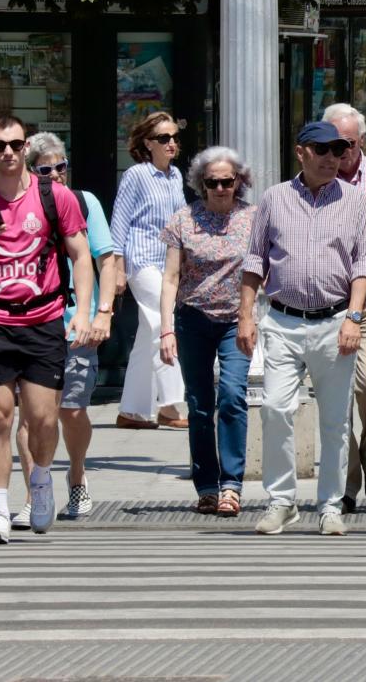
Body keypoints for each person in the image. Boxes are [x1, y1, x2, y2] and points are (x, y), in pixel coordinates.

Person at [0, 115, 95, 544]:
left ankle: (42, 481)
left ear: (26, 146)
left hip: (43, 319)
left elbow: (81, 256)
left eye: (14, 144)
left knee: (44, 419)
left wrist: (82, 313)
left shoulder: (55, 197)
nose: (7, 152)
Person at [239, 120, 366, 537]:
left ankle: (330, 504)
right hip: (281, 318)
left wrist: (353, 317)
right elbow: (254, 260)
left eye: (339, 151)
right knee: (277, 407)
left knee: (336, 420)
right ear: (302, 153)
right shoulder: (274, 199)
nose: (333, 158)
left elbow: (362, 265)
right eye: (323, 150)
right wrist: (245, 315)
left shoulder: (355, 201)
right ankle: (282, 501)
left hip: (335, 321)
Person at [10, 133, 118, 527]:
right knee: (29, 417)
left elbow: (106, 260)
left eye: (61, 167)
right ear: (31, 170)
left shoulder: (85, 203)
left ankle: (76, 473)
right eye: (46, 169)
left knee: (71, 410)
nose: (56, 174)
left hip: (77, 320)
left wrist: (101, 313)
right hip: (31, 322)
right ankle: (32, 494)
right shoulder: (22, 205)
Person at [158, 146, 258, 517]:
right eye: (212, 182)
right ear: (201, 184)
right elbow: (170, 277)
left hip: (236, 319)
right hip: (192, 317)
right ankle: (206, 486)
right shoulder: (183, 220)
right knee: (200, 405)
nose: (219, 188)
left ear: (239, 182)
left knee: (232, 396)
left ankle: (232, 484)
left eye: (226, 182)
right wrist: (166, 329)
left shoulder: (254, 218)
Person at [321, 102, 366, 513]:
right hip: (329, 305)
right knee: (337, 399)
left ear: (362, 141)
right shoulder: (314, 178)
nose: (338, 152)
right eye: (330, 143)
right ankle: (345, 486)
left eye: (346, 143)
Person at [111, 111, 188, 429]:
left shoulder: (175, 176)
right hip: (141, 261)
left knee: (148, 335)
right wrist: (117, 267)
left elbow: (182, 219)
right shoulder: (136, 175)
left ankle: (131, 410)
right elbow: (120, 220)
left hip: (167, 264)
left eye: (173, 137)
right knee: (161, 323)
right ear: (147, 143)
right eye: (163, 138)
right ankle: (172, 404)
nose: (171, 143)